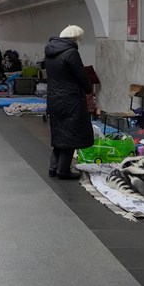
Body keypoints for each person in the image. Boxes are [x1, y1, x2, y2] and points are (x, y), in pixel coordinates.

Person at [44, 25, 94, 180]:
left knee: (59, 134)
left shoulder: (50, 51)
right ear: (75, 38)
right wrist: (88, 89)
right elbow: (81, 75)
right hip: (70, 100)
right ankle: (63, 171)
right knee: (70, 136)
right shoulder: (71, 52)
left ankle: (53, 168)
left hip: (54, 99)